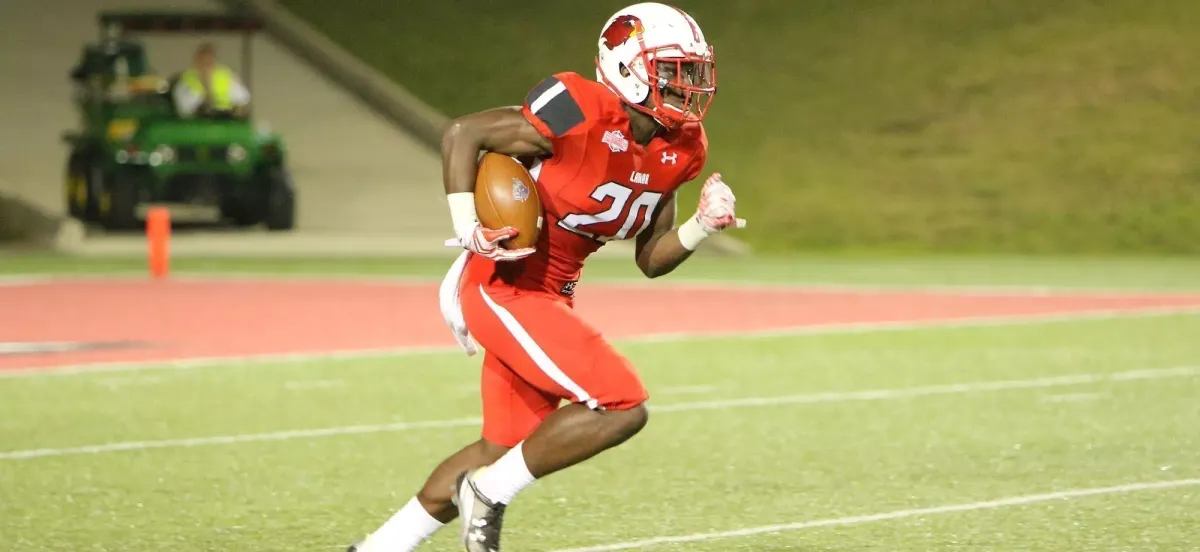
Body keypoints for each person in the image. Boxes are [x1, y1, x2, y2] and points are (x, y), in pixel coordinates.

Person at [350, 3, 743, 550]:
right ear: (627, 67)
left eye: (691, 73)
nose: (687, 87)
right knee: (621, 404)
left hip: (550, 296)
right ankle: (487, 495)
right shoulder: (580, 110)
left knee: (500, 447)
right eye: (672, 72)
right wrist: (468, 229)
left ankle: (374, 548)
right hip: (503, 284)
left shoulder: (681, 149)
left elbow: (651, 258)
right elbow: (463, 133)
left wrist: (703, 225)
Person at [172, 43, 251, 118]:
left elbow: (243, 100)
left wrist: (238, 111)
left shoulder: (225, 76)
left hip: (225, 122)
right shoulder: (186, 79)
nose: (206, 64)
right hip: (197, 125)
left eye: (209, 60)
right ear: (196, 61)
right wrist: (205, 88)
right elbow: (183, 108)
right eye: (202, 60)